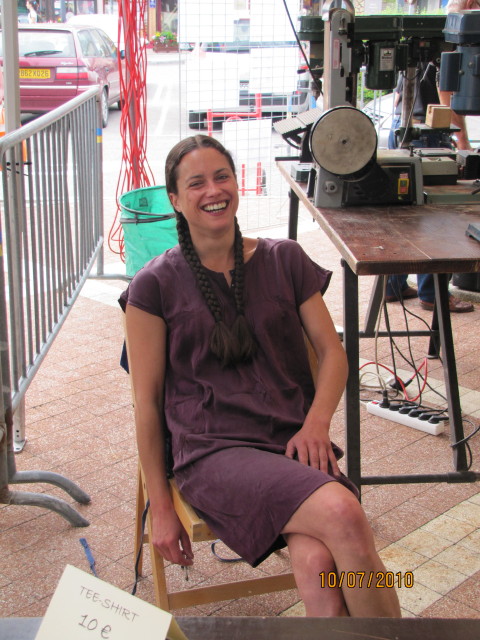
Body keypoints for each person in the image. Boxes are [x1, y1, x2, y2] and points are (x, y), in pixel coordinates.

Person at [120, 135, 401, 618]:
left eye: (222, 176)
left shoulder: (284, 258)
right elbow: (146, 404)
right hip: (213, 451)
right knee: (342, 513)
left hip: (292, 440)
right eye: (196, 183)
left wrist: (316, 424)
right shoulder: (153, 285)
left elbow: (332, 354)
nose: (213, 190)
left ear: (237, 183)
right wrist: (161, 508)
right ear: (175, 200)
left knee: (318, 562)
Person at [385, 1, 475, 313]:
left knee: (404, 214)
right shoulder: (453, 45)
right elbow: (447, 100)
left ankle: (394, 285)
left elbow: (399, 95)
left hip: (402, 126)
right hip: (430, 133)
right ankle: (433, 294)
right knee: (435, 219)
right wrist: (463, 141)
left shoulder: (421, 38)